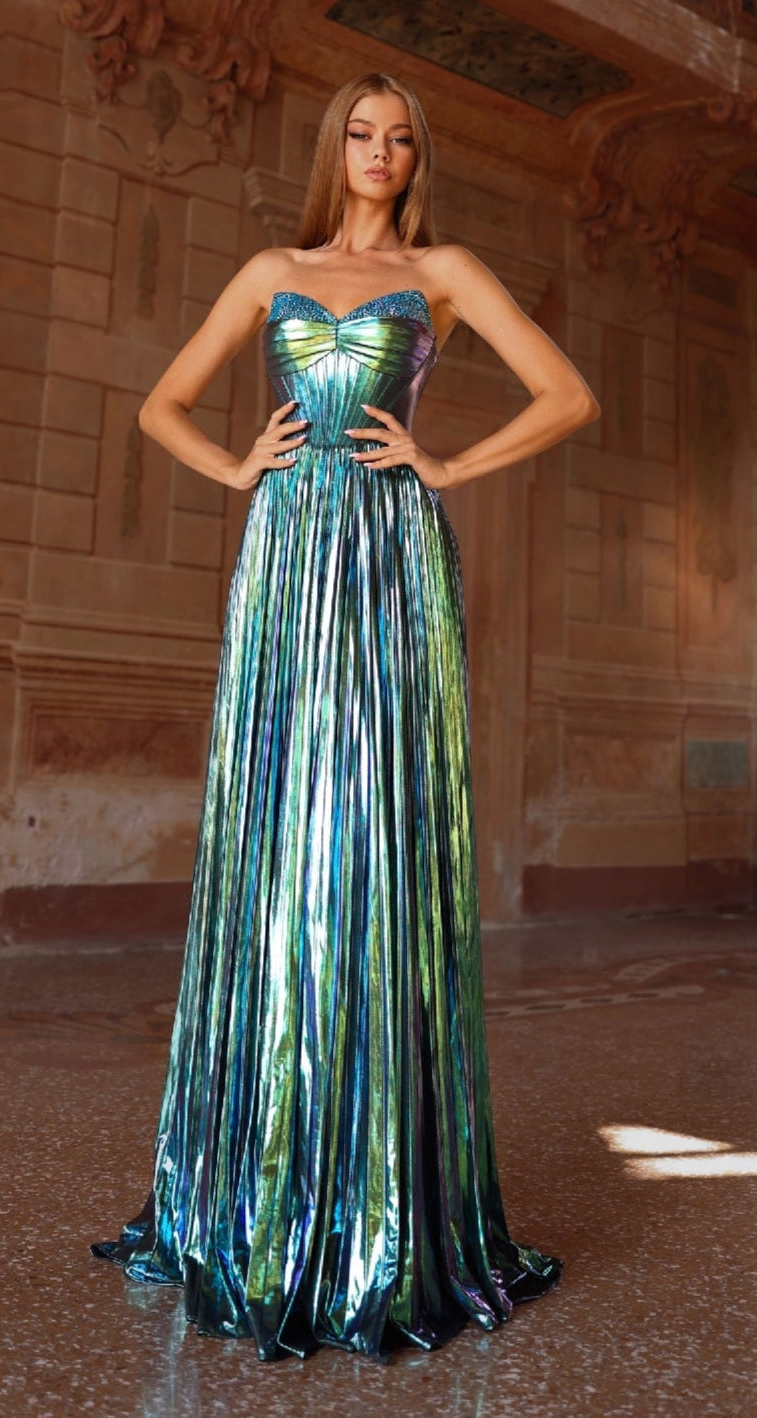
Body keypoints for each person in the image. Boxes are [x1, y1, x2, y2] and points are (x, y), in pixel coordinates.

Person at [92, 70, 600, 1364]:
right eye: (361, 134)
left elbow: (567, 394)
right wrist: (236, 464)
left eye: (401, 136)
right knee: (275, 848)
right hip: (282, 563)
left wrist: (445, 465)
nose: (380, 151)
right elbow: (160, 402)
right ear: (336, 147)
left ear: (419, 155)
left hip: (388, 565)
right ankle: (253, 1180)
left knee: (368, 842)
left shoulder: (446, 269)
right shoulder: (271, 265)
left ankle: (380, 1200)